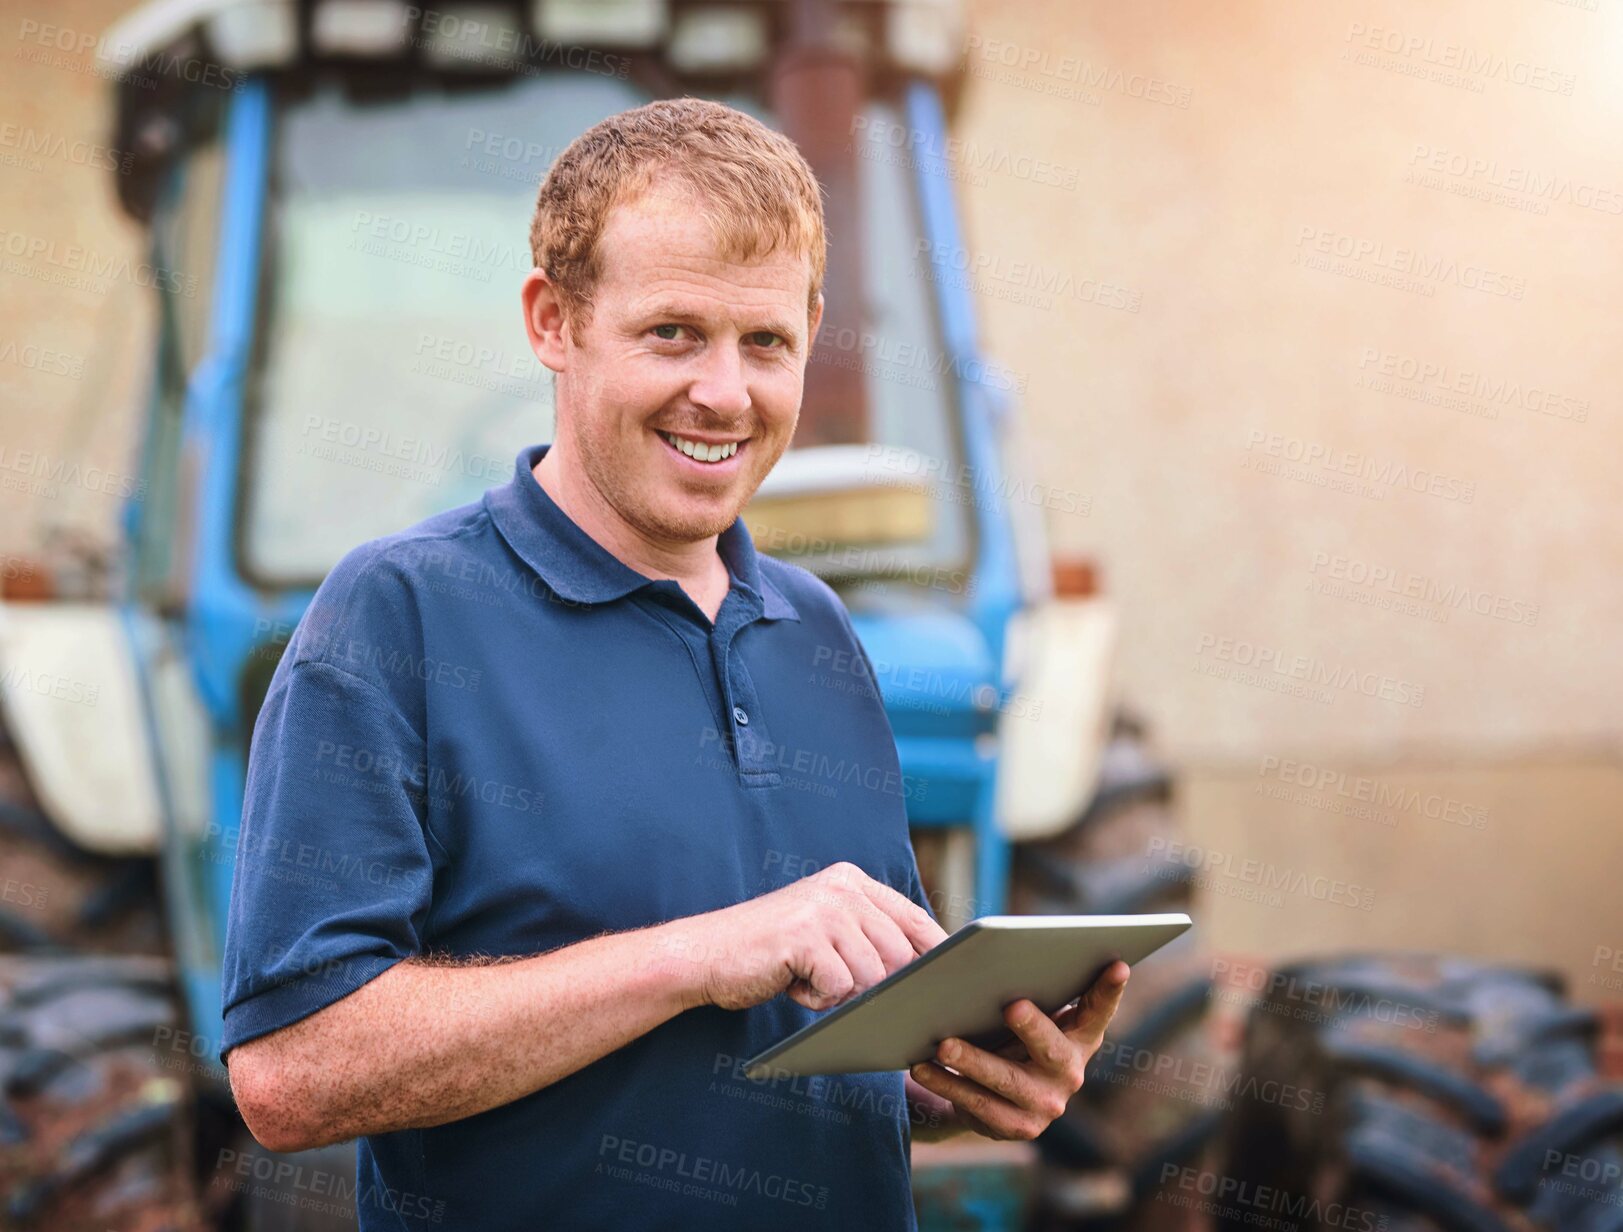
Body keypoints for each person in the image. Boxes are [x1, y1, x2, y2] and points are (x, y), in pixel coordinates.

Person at [220, 96, 1129, 1230]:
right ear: (553, 321)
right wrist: (701, 953)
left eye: (766, 343)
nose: (725, 393)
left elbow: (816, 1049)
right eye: (673, 333)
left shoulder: (820, 633)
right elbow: (289, 1072)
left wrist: (964, 1072)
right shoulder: (398, 615)